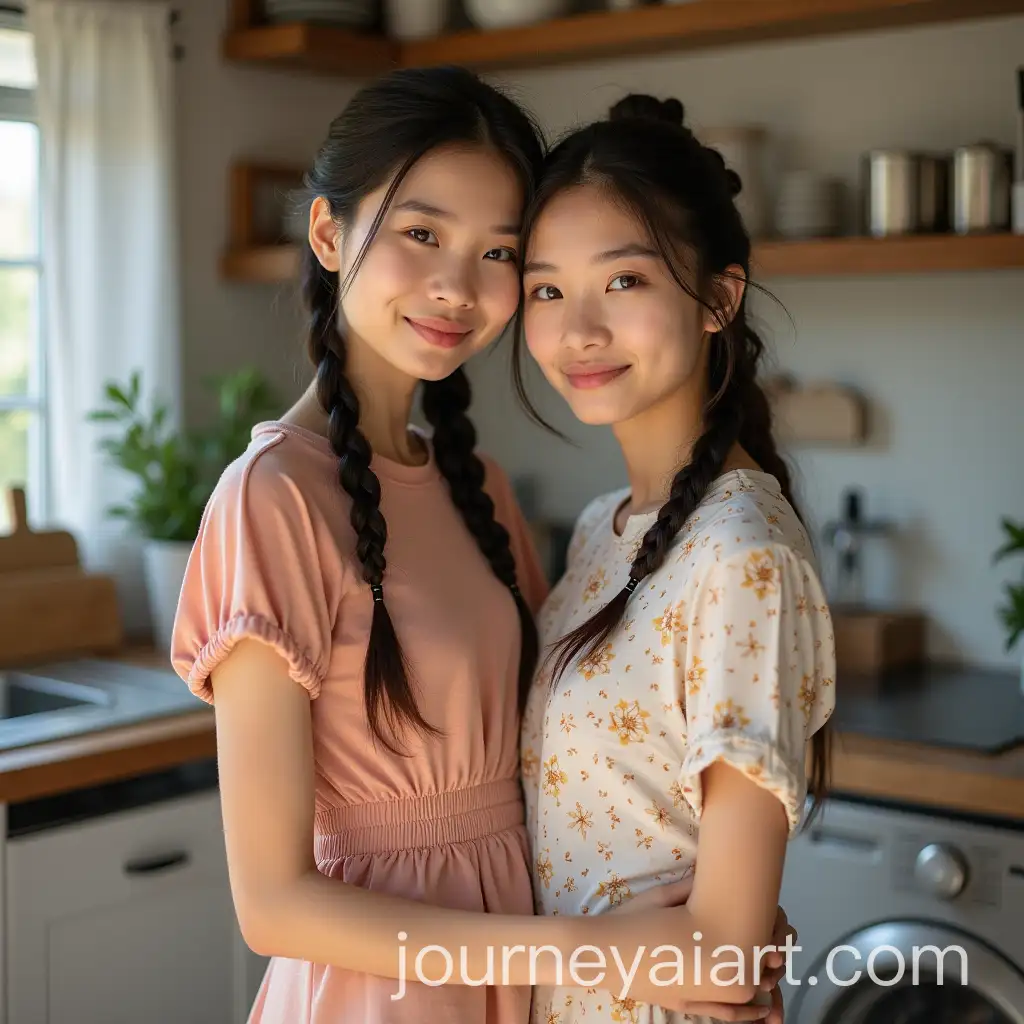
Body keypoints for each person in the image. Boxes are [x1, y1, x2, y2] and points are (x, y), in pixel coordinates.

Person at [171, 68, 791, 1024]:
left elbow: (561, 766)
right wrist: (604, 955)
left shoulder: (481, 488)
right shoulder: (274, 500)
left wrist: (723, 934)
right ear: (331, 235)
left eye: (499, 251)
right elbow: (272, 905)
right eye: (422, 233)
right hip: (388, 997)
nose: (458, 287)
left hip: (533, 985)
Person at [516, 93, 836, 1024]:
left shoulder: (742, 559)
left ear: (717, 298)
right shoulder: (596, 532)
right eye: (546, 289)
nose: (578, 329)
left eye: (623, 282)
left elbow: (728, 955)